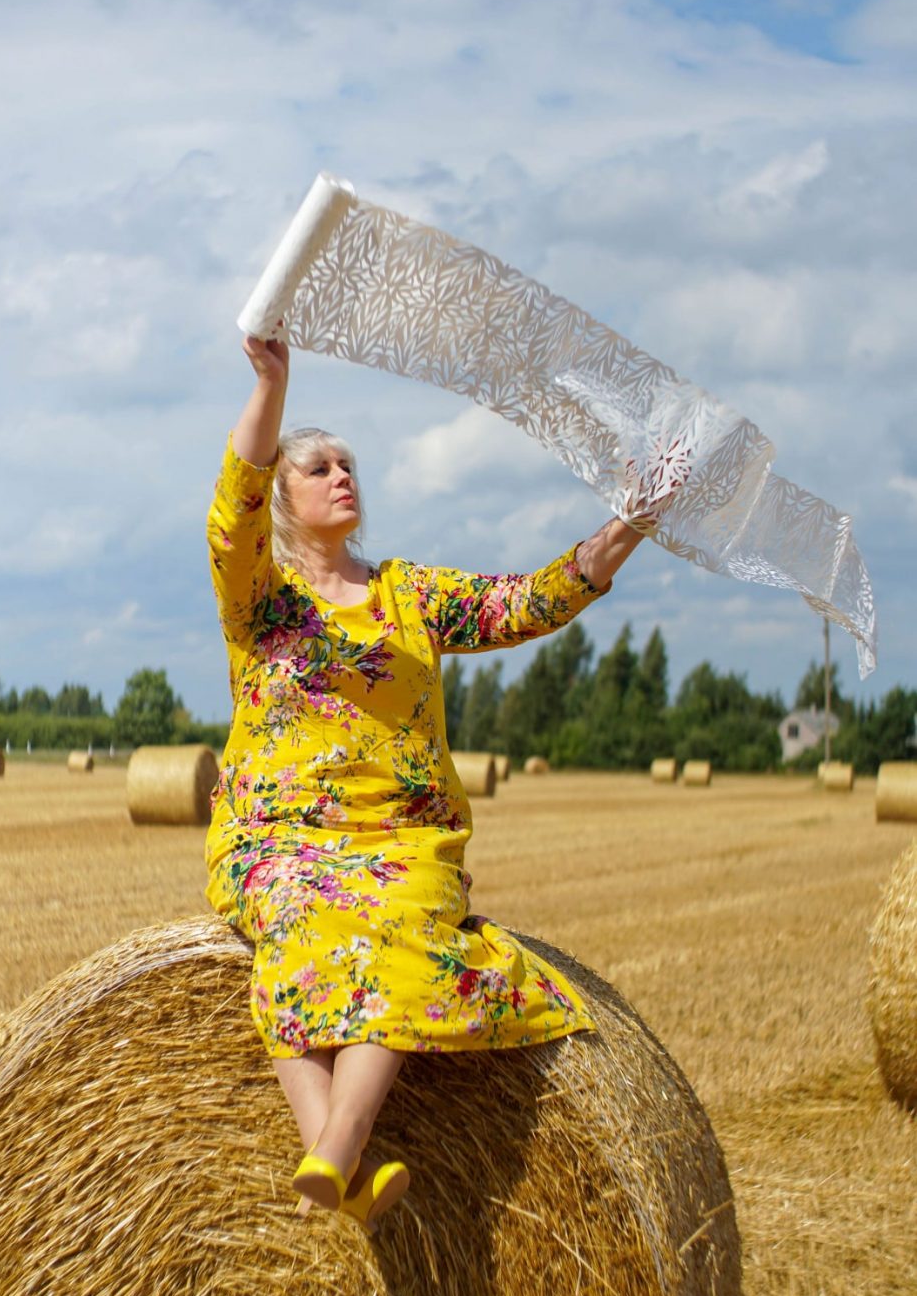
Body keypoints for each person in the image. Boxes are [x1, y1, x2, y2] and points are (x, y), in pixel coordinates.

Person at [204, 333, 667, 1235]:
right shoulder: (262, 599)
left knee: (401, 927)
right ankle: (339, 1148)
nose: (342, 475)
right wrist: (272, 383)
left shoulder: (410, 593)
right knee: (298, 925)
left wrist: (631, 526)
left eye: (347, 464)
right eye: (319, 468)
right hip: (284, 835)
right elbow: (232, 512)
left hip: (404, 840)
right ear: (287, 502)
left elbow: (525, 602)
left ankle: (336, 1145)